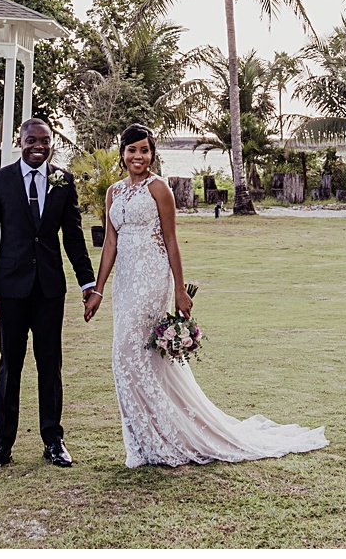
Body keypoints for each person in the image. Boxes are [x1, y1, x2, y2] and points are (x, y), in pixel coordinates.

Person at [90, 122, 328, 467]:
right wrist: (98, 289)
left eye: (144, 149)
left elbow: (171, 241)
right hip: (125, 283)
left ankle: (166, 439)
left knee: (137, 354)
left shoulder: (159, 190)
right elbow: (110, 242)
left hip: (153, 279)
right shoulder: (113, 192)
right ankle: (143, 442)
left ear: (152, 154)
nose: (138, 156)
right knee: (126, 358)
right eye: (132, 150)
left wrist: (179, 292)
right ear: (122, 153)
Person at [0, 117, 97, 473]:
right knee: (10, 366)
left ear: (51, 144)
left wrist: (88, 284)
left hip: (48, 290)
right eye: (31, 140)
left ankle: (53, 439)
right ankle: (1, 446)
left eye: (44, 141)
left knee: (50, 365)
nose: (38, 146)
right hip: (9, 291)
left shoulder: (63, 181)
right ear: (20, 142)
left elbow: (73, 237)